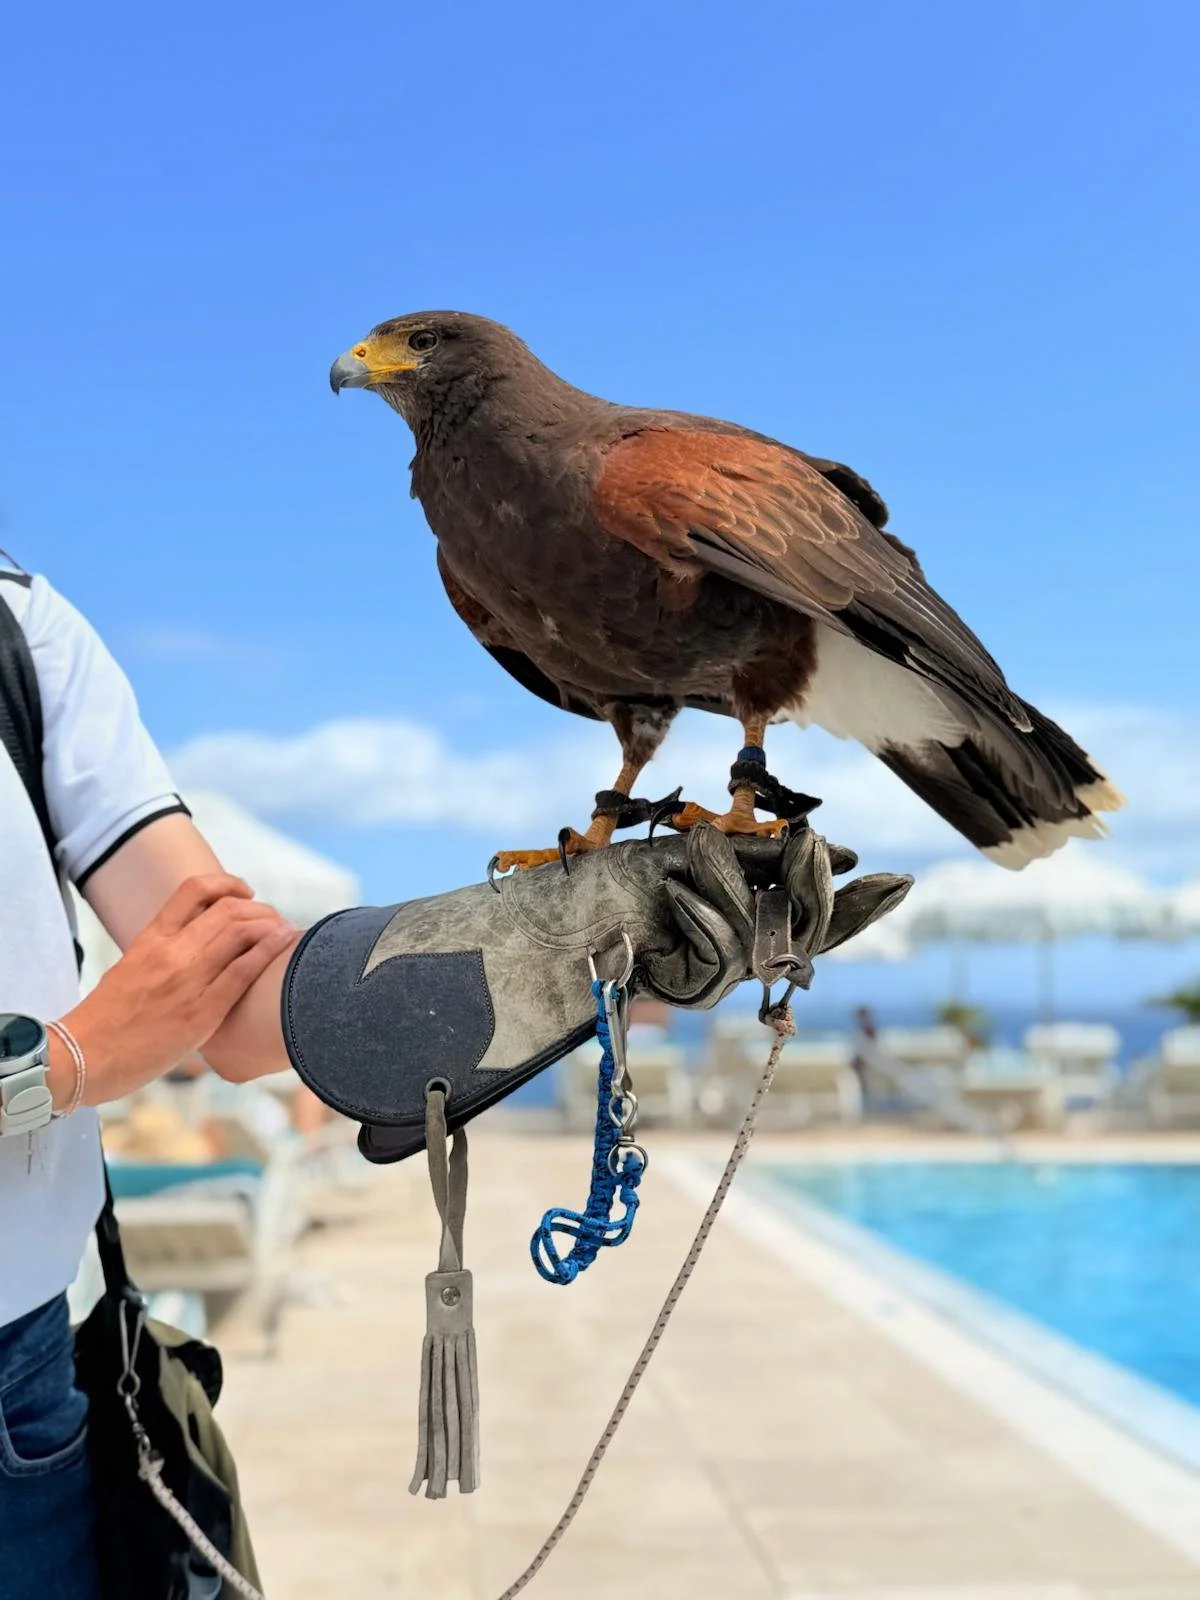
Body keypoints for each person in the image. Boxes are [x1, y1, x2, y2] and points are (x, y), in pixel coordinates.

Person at [0, 559, 905, 1596]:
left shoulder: (21, 629)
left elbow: (238, 1009)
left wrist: (574, 931)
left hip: (26, 1390)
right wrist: (61, 1064)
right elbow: (107, 1040)